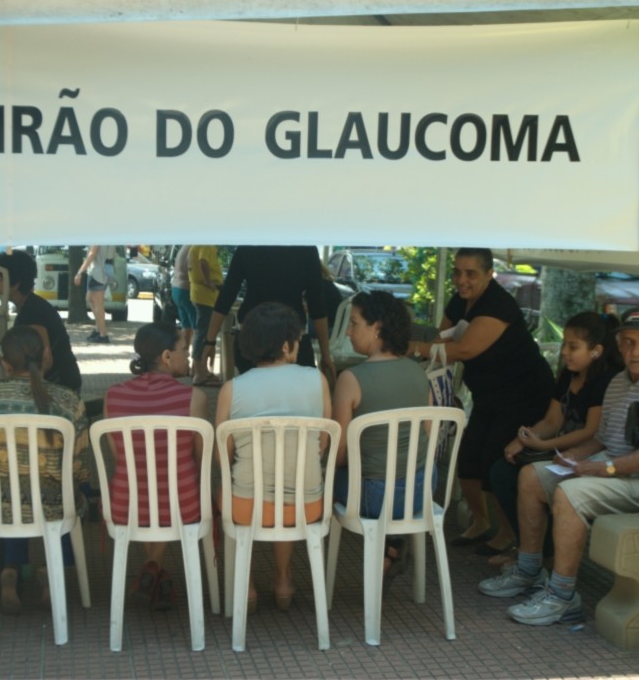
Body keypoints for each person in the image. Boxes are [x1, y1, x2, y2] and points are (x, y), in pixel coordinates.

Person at [478, 307, 639, 626]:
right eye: (629, 342)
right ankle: (529, 571)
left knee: (571, 495)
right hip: (626, 474)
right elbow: (602, 439)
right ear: (619, 345)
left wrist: (605, 468)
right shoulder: (620, 381)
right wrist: (573, 457)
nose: (636, 351)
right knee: (531, 476)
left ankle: (562, 597)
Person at [413, 248, 554, 556]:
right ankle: (480, 522)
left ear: (490, 274)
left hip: (523, 394)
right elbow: (442, 341)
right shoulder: (458, 300)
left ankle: (507, 534)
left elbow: (464, 349)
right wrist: (425, 352)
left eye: (471, 274)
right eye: (457, 272)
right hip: (487, 394)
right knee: (468, 457)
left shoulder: (498, 305)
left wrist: (413, 347)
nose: (461, 280)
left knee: (493, 460)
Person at [215, 302, 332, 612]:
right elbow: (323, 444)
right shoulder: (317, 380)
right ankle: (282, 580)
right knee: (288, 486)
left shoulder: (231, 389)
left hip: (246, 508)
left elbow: (222, 457)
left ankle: (247, 585)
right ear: (285, 345)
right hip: (307, 507)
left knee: (227, 489)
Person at [0, 326, 90, 615]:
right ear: (46, 355)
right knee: (67, 494)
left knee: (9, 491)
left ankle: (10, 569)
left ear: (5, 363)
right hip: (52, 506)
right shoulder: (69, 401)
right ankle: (50, 570)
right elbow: (79, 466)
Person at [487, 311, 623, 566]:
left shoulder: (606, 381)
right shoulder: (569, 376)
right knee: (501, 471)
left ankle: (543, 554)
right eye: (564, 345)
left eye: (573, 347)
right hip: (558, 452)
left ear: (596, 351)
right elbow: (552, 421)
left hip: (587, 456)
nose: (565, 353)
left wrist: (543, 445)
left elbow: (590, 432)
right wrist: (525, 439)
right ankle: (532, 549)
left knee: (527, 477)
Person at [103, 323, 210, 611]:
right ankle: (154, 568)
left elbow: (119, 456)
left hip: (127, 504)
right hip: (182, 505)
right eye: (184, 349)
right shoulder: (194, 398)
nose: (188, 356)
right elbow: (202, 460)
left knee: (139, 486)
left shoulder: (113, 396)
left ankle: (151, 571)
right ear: (166, 356)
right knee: (179, 486)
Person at [331, 291, 431, 581]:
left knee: (326, 479)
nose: (348, 332)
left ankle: (388, 548)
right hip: (421, 490)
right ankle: (392, 545)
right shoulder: (419, 372)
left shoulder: (350, 379)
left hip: (375, 497)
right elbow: (425, 436)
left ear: (377, 327)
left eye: (354, 323)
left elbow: (339, 454)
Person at [201, 245, 335, 383]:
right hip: (292, 338)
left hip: (252, 337)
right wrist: (325, 354)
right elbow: (317, 305)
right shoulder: (306, 249)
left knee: (253, 391)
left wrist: (210, 341)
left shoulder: (248, 247)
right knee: (298, 392)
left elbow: (227, 295)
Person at [0, 250, 82, 393]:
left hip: (61, 388)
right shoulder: (31, 305)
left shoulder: (32, 313)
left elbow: (45, 362)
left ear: (15, 284)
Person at [188, 245, 223, 386]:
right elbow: (203, 262)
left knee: (202, 332)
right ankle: (199, 374)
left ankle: (198, 370)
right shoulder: (206, 243)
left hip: (200, 294)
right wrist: (208, 281)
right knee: (203, 334)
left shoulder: (197, 244)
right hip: (205, 296)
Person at [74, 245, 116, 343]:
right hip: (103, 268)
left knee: (97, 303)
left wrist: (80, 272)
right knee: (90, 298)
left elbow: (92, 253)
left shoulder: (98, 237)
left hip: (98, 271)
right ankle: (98, 329)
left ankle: (103, 334)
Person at [170, 245, 196, 352]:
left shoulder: (184, 247)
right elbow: (194, 269)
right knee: (197, 329)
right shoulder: (195, 246)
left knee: (186, 326)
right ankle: (197, 359)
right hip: (186, 289)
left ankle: (184, 354)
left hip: (176, 288)